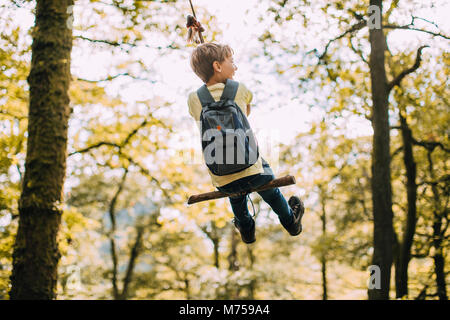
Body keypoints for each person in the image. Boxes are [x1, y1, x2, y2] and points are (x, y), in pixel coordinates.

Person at [187, 43, 305, 244]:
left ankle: (246, 227)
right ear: (217, 66)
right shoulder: (239, 89)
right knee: (272, 191)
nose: (235, 67)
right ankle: (290, 221)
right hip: (253, 169)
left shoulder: (194, 98)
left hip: (222, 176)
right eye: (231, 62)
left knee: (236, 195)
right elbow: (246, 113)